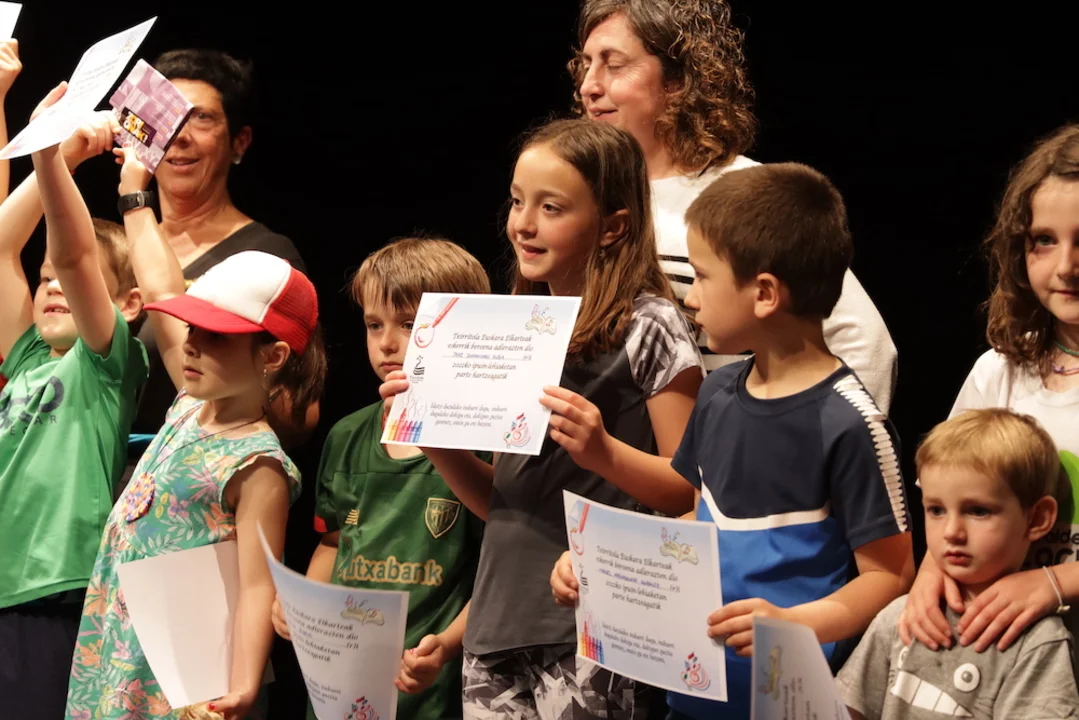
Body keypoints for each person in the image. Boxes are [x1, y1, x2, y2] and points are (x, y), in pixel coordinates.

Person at [552, 162, 913, 719]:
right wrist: (600, 562)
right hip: (693, 698)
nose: (691, 297)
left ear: (764, 293)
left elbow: (890, 575)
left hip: (783, 703)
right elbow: (697, 519)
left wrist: (794, 624)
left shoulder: (849, 422)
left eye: (702, 276)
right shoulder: (719, 392)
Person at [381, 118, 703, 718]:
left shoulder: (648, 324)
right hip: (496, 632)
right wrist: (430, 434)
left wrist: (603, 452)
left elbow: (691, 490)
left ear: (612, 226)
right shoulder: (514, 327)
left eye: (550, 207)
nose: (523, 224)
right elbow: (505, 505)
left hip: (592, 630)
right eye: (516, 202)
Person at [63, 147, 324, 720]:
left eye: (217, 336)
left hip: (178, 682)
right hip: (119, 649)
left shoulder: (257, 463)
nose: (192, 345)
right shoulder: (189, 402)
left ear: (272, 356)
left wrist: (244, 683)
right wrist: (135, 191)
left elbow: (258, 585)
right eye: (192, 328)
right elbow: (161, 286)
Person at [569, 0, 899, 411]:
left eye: (614, 65)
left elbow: (863, 341)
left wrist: (810, 445)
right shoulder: (576, 197)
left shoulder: (744, 193)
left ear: (677, 79)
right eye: (586, 64)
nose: (589, 86)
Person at [272, 237, 491, 720]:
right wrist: (305, 603)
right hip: (343, 689)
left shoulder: (483, 447)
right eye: (375, 325)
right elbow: (334, 541)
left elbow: (501, 571)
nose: (387, 343)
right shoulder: (348, 435)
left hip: (430, 692)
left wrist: (445, 646)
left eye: (409, 324)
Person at [899, 124, 1079, 659]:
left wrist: (1054, 583)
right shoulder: (999, 371)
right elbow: (949, 491)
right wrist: (930, 576)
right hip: (1001, 657)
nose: (1066, 266)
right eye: (1044, 240)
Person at [0, 93, 147, 720]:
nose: (53, 284)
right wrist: (53, 155)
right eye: (43, 282)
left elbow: (74, 254)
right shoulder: (28, 358)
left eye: (65, 282)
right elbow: (2, 245)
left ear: (129, 306)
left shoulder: (105, 364)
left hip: (53, 593)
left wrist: (48, 157)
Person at [126, 48, 311, 465]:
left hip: (187, 481)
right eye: (165, 117)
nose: (179, 134)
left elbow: (296, 414)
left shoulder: (264, 258)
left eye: (201, 117)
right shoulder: (117, 245)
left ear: (239, 142)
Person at [838, 409, 1079, 719]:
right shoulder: (901, 616)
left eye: (978, 511)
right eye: (936, 510)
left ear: (1037, 519)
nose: (951, 532)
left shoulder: (1037, 642)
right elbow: (846, 708)